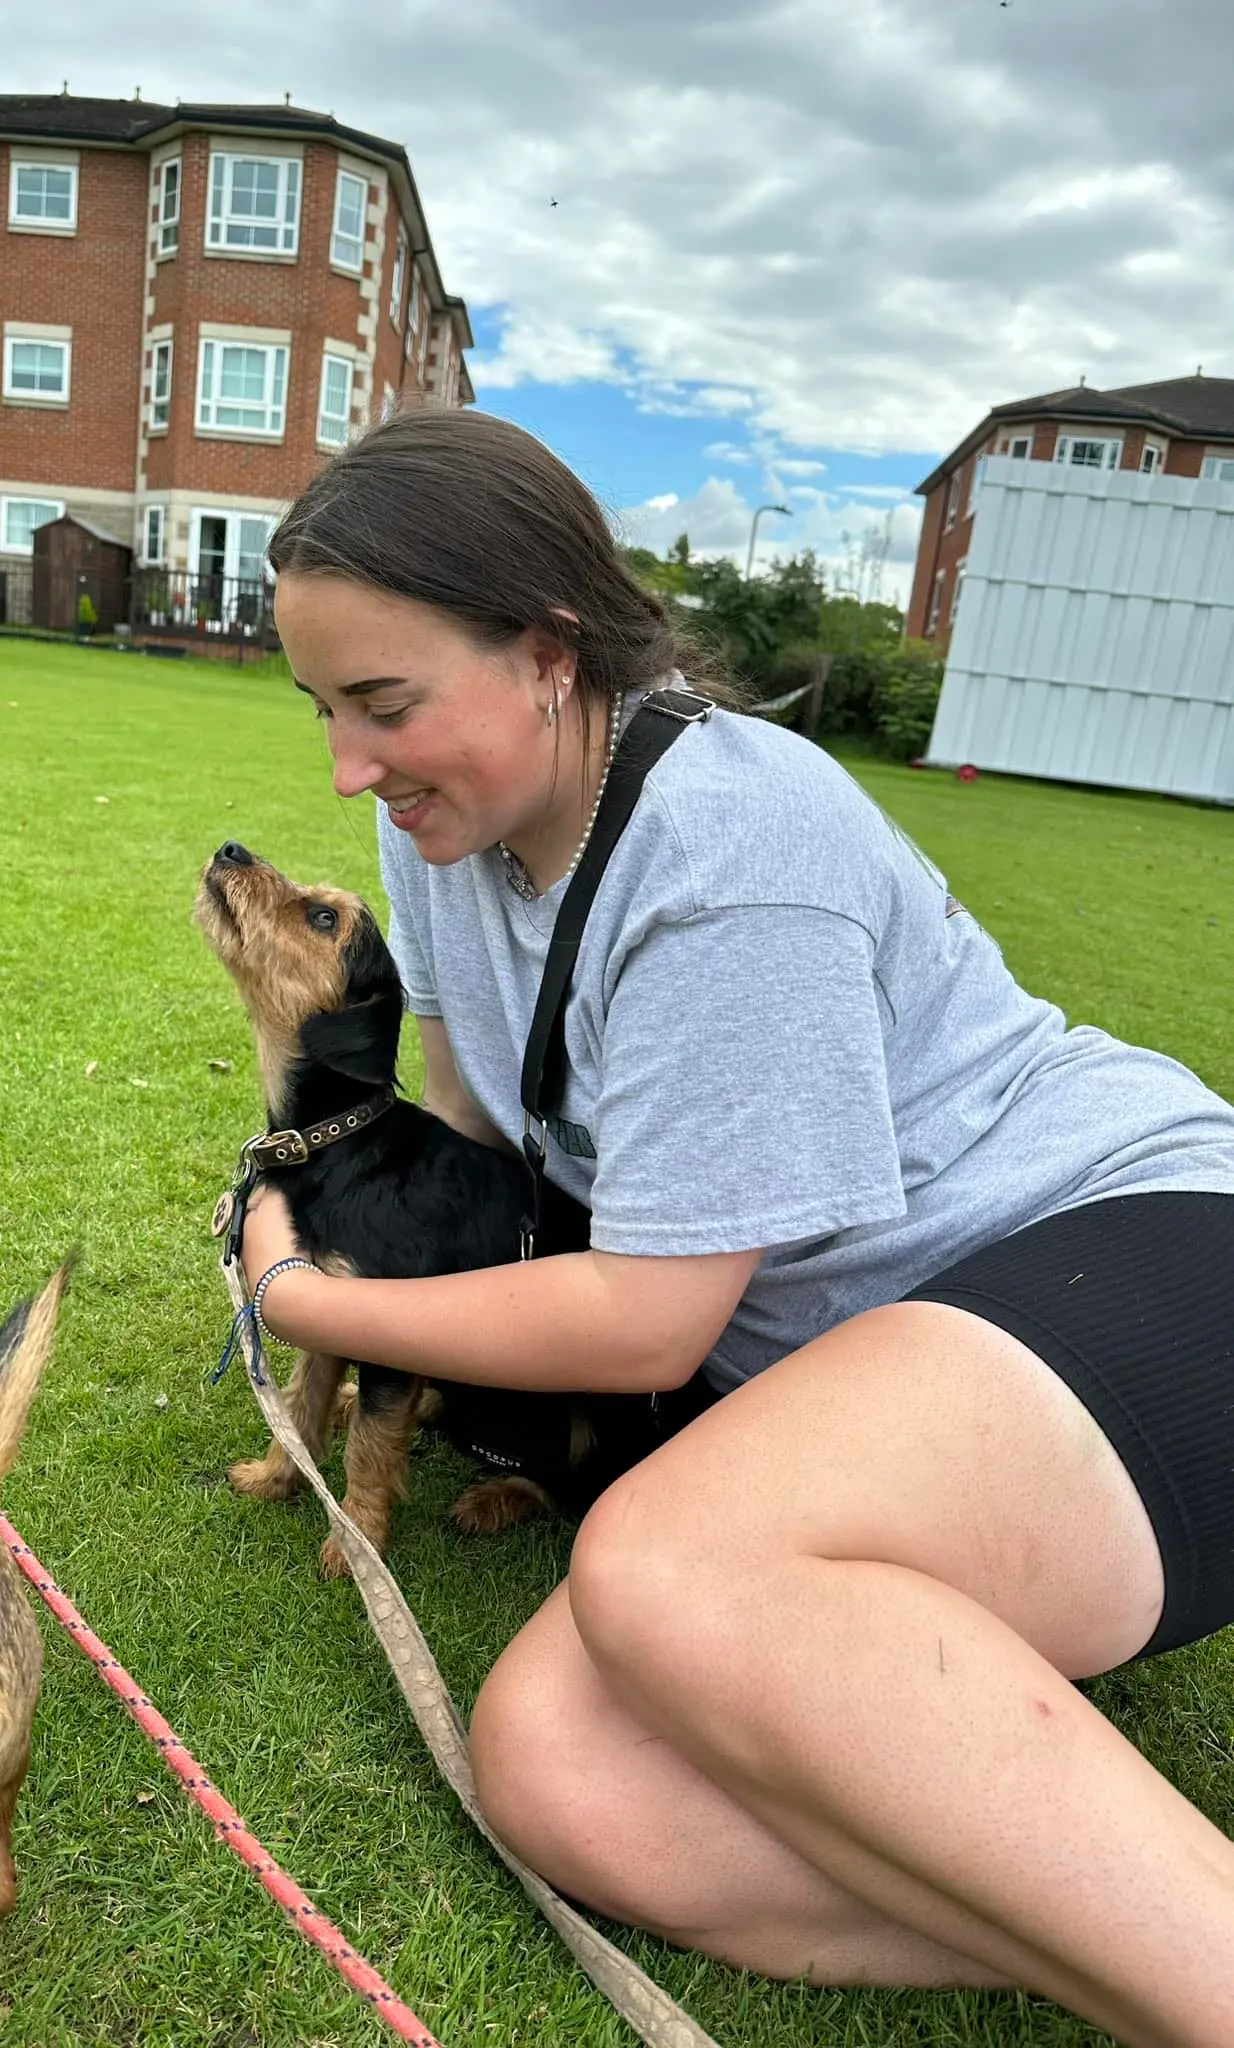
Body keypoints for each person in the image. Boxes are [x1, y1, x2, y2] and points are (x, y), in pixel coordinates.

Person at [240, 406, 1234, 2047]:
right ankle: (1107, 1919)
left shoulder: (729, 844)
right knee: (556, 1776)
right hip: (889, 1375)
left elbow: (646, 1323)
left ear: (552, 652)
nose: (347, 764)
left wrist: (309, 1302)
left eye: (386, 704)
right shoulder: (435, 827)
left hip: (1144, 1257)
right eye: (322, 708)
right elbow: (486, 1159)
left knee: (663, 1562)